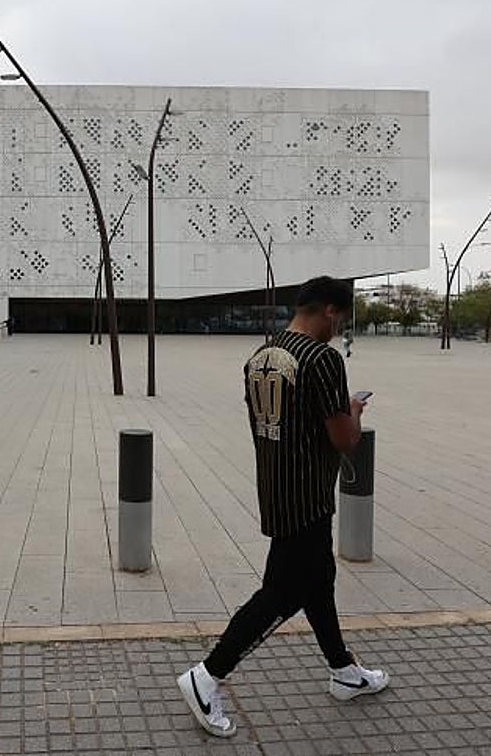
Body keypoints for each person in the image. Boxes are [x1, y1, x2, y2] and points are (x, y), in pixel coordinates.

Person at [177, 276, 388, 738]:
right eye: (342, 320)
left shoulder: (259, 358)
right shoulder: (323, 359)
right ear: (331, 311)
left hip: (276, 490)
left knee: (319, 584)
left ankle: (343, 670)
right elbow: (343, 439)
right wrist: (353, 410)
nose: (339, 330)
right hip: (310, 495)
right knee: (282, 594)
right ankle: (207, 675)